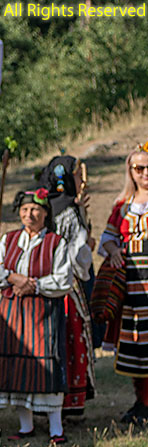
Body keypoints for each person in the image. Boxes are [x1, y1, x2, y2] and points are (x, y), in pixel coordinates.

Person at [0, 188, 72, 444]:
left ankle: (56, 429)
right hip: (13, 313)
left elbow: (63, 280)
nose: (29, 214)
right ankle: (25, 426)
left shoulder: (56, 242)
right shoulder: (9, 239)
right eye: (24, 210)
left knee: (46, 365)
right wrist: (12, 277)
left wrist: (33, 285)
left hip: (43, 313)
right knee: (17, 367)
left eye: (35, 209)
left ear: (45, 213)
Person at [37, 156, 95, 419]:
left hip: (43, 286)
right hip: (66, 288)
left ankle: (48, 402)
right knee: (69, 340)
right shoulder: (69, 211)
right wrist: (88, 247)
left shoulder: (46, 206)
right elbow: (78, 255)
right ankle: (68, 400)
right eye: (78, 175)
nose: (83, 181)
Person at [100, 144, 148, 426]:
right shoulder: (122, 206)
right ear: (130, 171)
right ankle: (141, 401)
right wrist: (114, 250)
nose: (145, 173)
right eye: (139, 168)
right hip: (130, 283)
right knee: (135, 342)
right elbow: (107, 238)